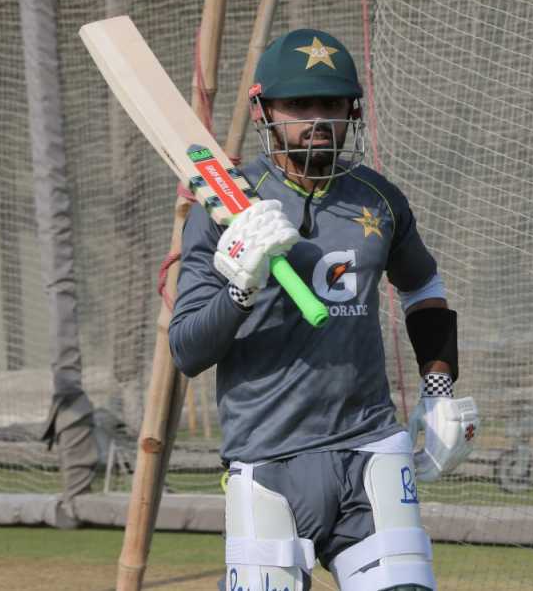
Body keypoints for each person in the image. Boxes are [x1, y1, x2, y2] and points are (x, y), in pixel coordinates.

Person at [169, 29, 478, 591]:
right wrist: (241, 284)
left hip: (370, 449)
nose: (317, 120)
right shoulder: (223, 208)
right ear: (265, 110)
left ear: (351, 111)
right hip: (267, 458)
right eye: (299, 106)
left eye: (331, 105)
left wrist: (438, 394)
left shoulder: (377, 198)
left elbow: (422, 284)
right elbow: (187, 350)